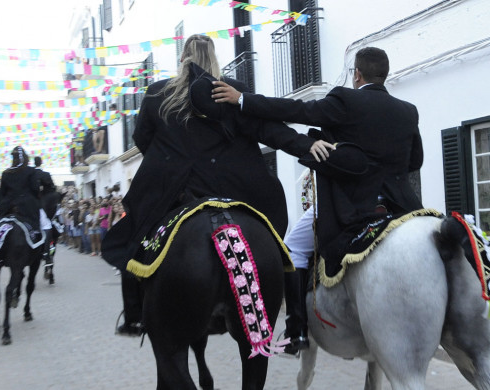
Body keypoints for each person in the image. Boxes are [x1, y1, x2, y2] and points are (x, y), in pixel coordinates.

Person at [101, 34, 321, 336]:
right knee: (277, 246)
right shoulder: (232, 91)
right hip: (234, 189)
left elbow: (142, 140)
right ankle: (294, 326)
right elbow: (268, 131)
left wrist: (168, 154)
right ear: (214, 58)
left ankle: (135, 316)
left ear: (183, 59)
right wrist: (307, 146)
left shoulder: (157, 94)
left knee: (136, 240)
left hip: (179, 192)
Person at [211, 46, 424, 354]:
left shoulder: (346, 100)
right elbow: (414, 160)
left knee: (294, 248)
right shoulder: (408, 110)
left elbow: (296, 111)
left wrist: (242, 99)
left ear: (357, 75)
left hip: (354, 206)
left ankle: (296, 331)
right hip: (402, 208)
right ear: (384, 74)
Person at [0, 146, 41, 233]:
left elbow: (2, 193)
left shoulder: (5, 173)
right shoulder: (31, 171)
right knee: (44, 223)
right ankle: (38, 234)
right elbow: (35, 189)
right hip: (27, 206)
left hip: (7, 206)